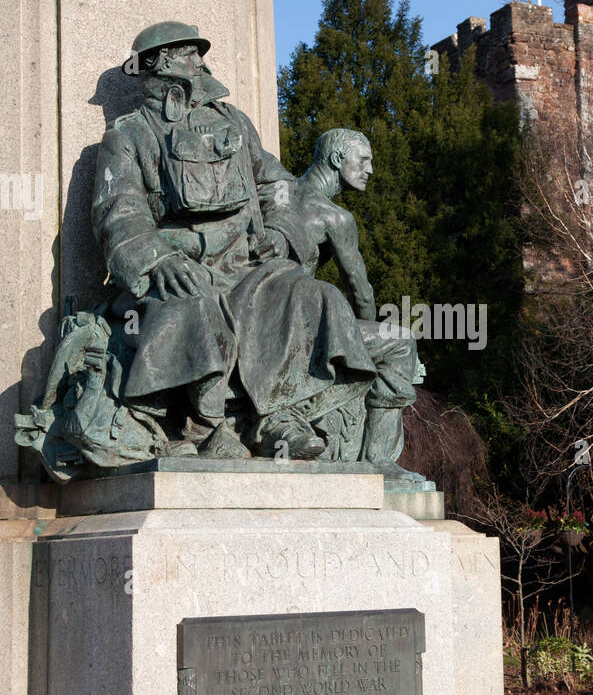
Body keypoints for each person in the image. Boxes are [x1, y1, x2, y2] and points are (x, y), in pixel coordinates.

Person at [91, 24, 378, 460]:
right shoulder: (128, 135)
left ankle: (275, 419)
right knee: (193, 302)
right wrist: (158, 259)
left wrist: (282, 234)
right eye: (191, 54)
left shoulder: (234, 122)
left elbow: (277, 187)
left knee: (309, 295)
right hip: (181, 267)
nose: (201, 62)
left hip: (249, 264)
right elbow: (119, 213)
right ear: (163, 62)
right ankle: (207, 428)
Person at [291, 128, 425, 478]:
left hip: (265, 313)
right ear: (337, 160)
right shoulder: (335, 217)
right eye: (363, 160)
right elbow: (360, 292)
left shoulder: (279, 192)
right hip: (297, 325)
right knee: (401, 342)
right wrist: (369, 342)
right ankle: (378, 460)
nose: (370, 170)